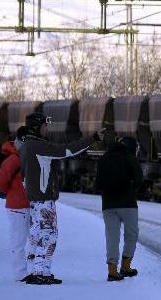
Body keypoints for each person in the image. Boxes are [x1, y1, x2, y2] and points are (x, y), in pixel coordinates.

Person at [19, 112, 101, 285]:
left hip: (35, 199)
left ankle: (37, 270)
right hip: (44, 198)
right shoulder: (38, 146)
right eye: (44, 126)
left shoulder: (26, 146)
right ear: (36, 127)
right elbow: (67, 151)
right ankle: (40, 272)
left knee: (36, 233)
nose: (46, 129)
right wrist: (92, 138)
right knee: (49, 235)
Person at [94, 136, 144, 282]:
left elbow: (97, 183)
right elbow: (139, 179)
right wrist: (130, 188)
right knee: (131, 235)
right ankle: (126, 266)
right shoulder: (130, 157)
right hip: (128, 204)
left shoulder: (104, 158)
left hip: (108, 205)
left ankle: (112, 270)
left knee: (112, 237)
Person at [0, 127, 30, 282]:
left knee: (27, 239)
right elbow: (0, 184)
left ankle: (29, 271)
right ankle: (20, 273)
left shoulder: (22, 157)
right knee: (18, 241)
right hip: (16, 207)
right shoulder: (14, 160)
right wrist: (14, 192)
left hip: (26, 205)